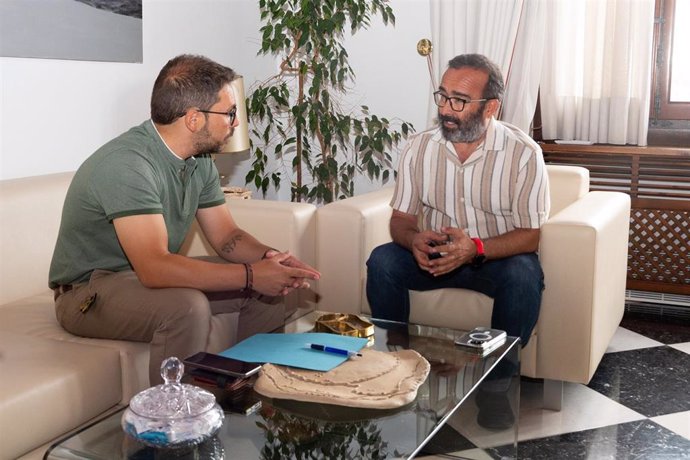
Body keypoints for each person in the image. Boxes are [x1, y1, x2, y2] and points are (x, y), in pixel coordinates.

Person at [49, 54, 320, 385]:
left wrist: (269, 260)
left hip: (137, 279)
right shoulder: (128, 165)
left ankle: (248, 392)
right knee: (187, 306)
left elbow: (226, 236)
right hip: (87, 292)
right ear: (194, 119)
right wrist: (251, 275)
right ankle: (173, 426)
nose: (236, 123)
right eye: (230, 113)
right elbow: (155, 267)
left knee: (268, 289)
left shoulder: (199, 159)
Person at [366, 54, 549, 428]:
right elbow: (400, 219)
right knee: (382, 261)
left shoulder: (523, 153)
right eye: (443, 96)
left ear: (491, 106)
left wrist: (476, 249)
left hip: (493, 259)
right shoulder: (419, 147)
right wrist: (413, 240)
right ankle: (399, 366)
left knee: (523, 274)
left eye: (460, 101)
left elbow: (531, 235)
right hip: (433, 258)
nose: (447, 110)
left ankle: (496, 387)